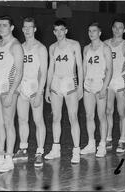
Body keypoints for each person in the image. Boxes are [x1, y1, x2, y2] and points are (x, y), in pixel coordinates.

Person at [44, 20, 83, 163]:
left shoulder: (74, 45)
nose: (59, 33)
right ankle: (55, 149)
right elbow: (50, 69)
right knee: (56, 117)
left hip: (70, 84)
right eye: (56, 30)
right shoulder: (52, 47)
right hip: (56, 84)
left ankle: (76, 150)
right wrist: (47, 88)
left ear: (66, 31)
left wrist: (80, 87)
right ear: (54, 32)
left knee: (73, 118)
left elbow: (80, 66)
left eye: (62, 30)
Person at [0, 15, 24, 172]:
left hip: (8, 89)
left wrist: (11, 92)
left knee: (9, 123)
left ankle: (9, 158)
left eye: (4, 25)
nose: (1, 28)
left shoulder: (15, 45)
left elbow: (19, 71)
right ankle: (0, 154)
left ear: (11, 28)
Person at [12, 17, 47, 167]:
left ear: (34, 29)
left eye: (30, 27)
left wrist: (40, 92)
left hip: (35, 88)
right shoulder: (19, 46)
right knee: (22, 120)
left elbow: (44, 72)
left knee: (38, 121)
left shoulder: (41, 48)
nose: (27, 30)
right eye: (25, 27)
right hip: (22, 88)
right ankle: (23, 149)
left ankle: (39, 152)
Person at [81, 22, 112, 157]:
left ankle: (102, 145)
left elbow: (110, 70)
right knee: (89, 116)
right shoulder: (86, 49)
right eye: (89, 31)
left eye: (94, 31)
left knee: (101, 116)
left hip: (100, 85)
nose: (91, 33)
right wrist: (82, 85)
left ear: (99, 33)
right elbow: (83, 68)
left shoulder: (105, 48)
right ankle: (91, 144)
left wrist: (104, 88)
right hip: (88, 85)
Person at [104, 19, 125, 152]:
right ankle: (109, 138)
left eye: (120, 27)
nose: (117, 30)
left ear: (124, 30)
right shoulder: (105, 44)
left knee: (122, 112)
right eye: (115, 27)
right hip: (108, 83)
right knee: (108, 111)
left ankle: (122, 140)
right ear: (112, 28)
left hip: (121, 82)